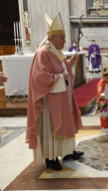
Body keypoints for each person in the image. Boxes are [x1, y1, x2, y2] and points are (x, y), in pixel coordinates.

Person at [26, 12, 83, 171]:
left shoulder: (55, 50)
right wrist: (60, 77)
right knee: (52, 127)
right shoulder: (43, 52)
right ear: (52, 38)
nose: (65, 41)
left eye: (64, 38)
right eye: (62, 38)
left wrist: (70, 62)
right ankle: (50, 158)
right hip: (50, 102)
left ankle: (67, 151)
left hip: (62, 97)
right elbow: (40, 77)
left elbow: (61, 68)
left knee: (66, 121)